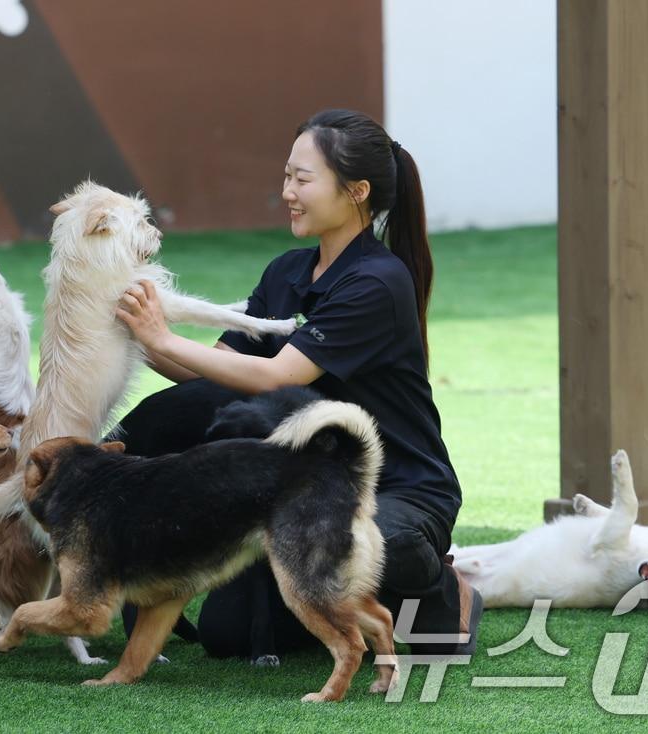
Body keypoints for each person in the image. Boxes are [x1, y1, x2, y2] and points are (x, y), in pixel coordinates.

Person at [112, 109, 481, 657]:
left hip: (394, 488)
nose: (288, 191)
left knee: (390, 544)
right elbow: (213, 370)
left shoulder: (379, 281)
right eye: (287, 175)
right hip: (300, 489)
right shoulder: (285, 270)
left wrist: (163, 338)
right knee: (230, 638)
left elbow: (276, 376)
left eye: (303, 179)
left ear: (357, 191)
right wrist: (128, 332)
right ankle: (325, 585)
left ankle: (445, 593)